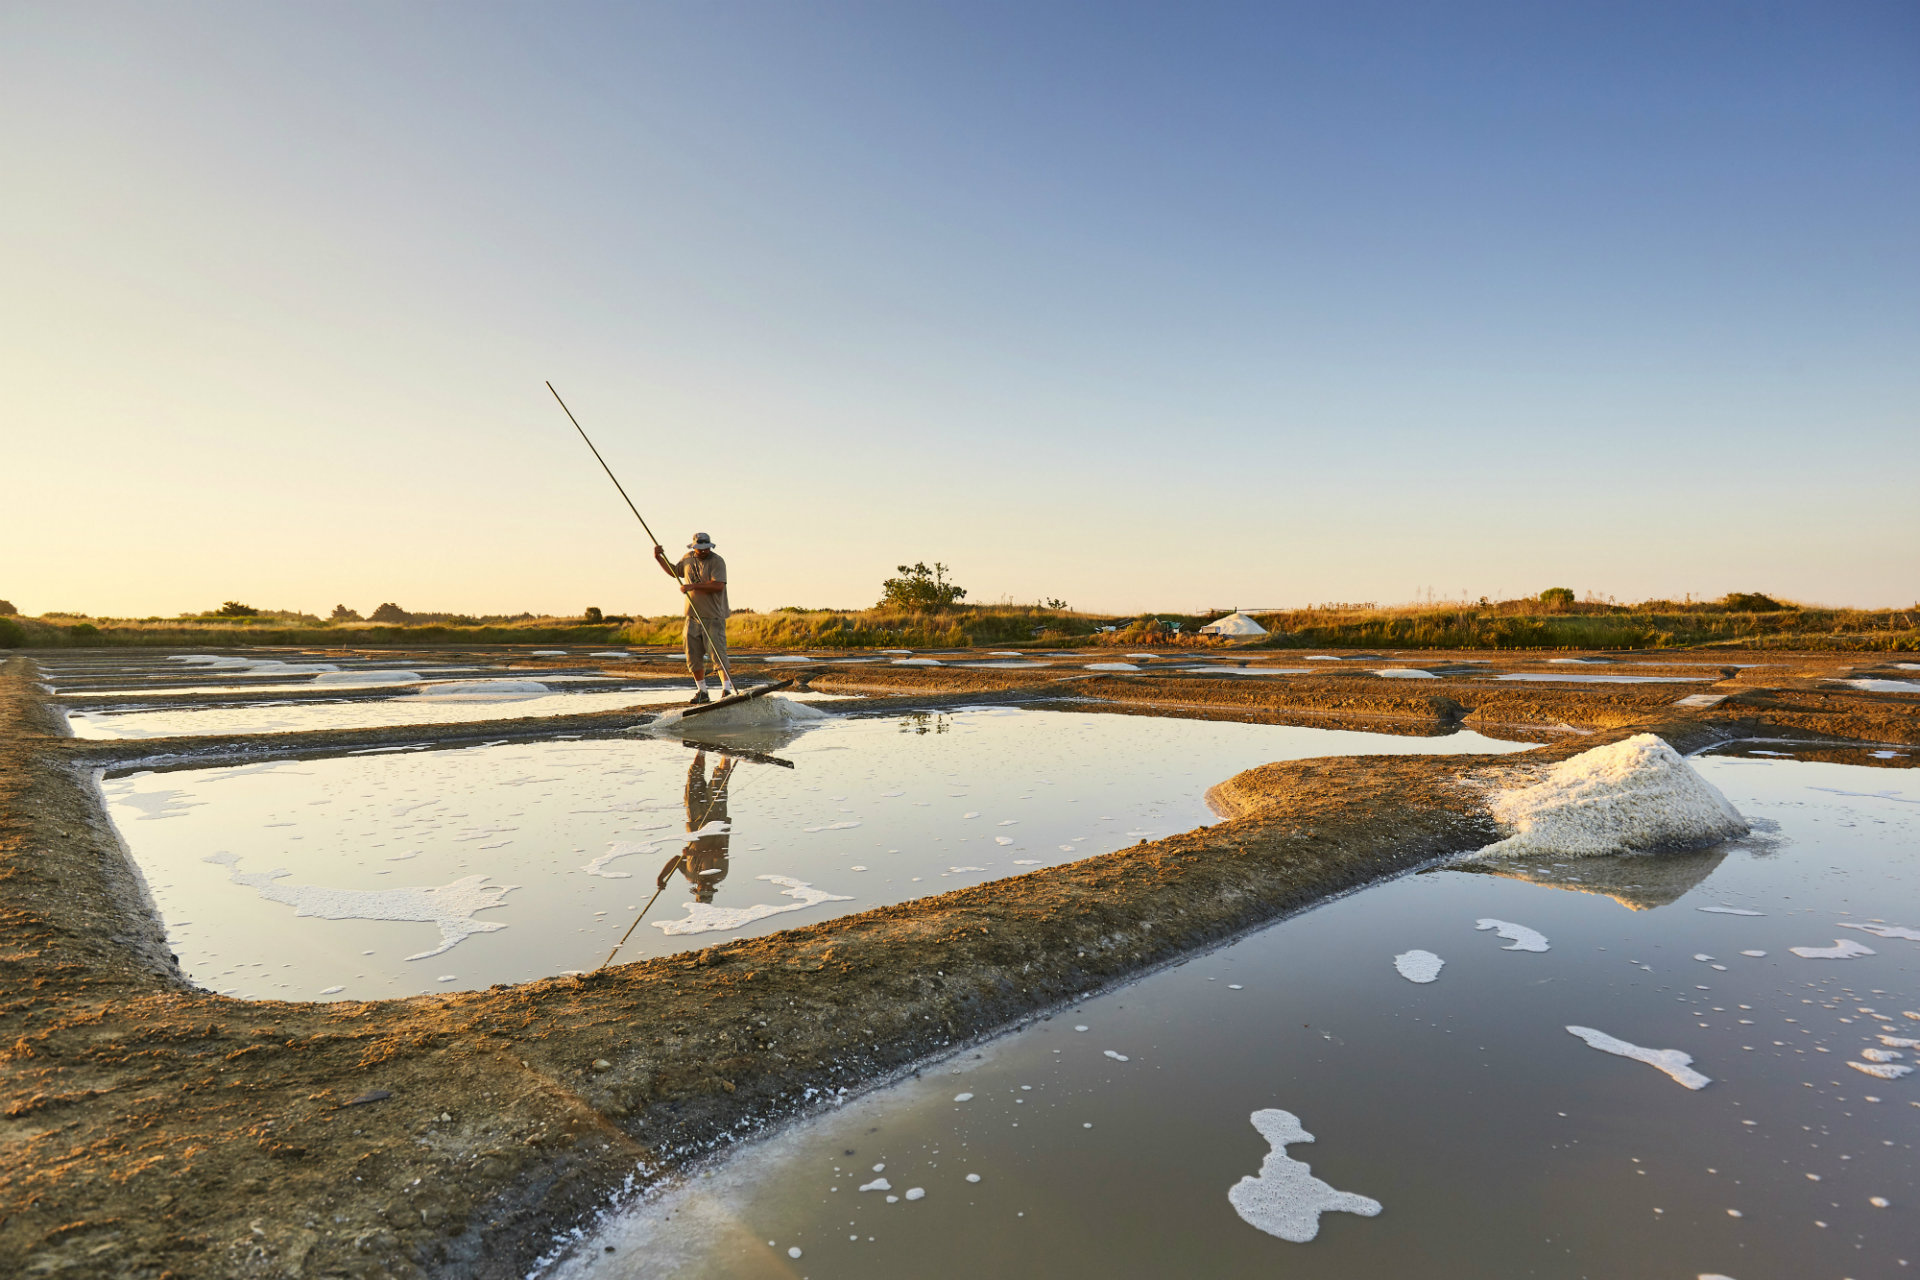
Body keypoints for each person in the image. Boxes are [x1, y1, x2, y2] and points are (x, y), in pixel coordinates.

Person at [654, 531, 733, 702]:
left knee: (717, 654)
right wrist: (659, 558)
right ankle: (702, 692)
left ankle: (727, 691)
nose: (703, 551)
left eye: (706, 548)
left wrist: (692, 587)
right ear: (694, 547)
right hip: (692, 616)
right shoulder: (688, 558)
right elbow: (675, 571)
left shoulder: (717, 561)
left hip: (713, 616)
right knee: (693, 655)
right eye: (700, 548)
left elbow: (718, 585)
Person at [676, 750, 735, 903]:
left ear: (697, 890)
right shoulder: (720, 874)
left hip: (695, 819)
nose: (705, 890)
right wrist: (695, 854)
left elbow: (676, 860)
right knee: (720, 780)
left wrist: (661, 879)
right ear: (712, 892)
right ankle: (727, 750)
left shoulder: (691, 876)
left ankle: (701, 749)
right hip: (716, 820)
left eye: (702, 893)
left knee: (693, 777)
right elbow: (719, 852)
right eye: (708, 893)